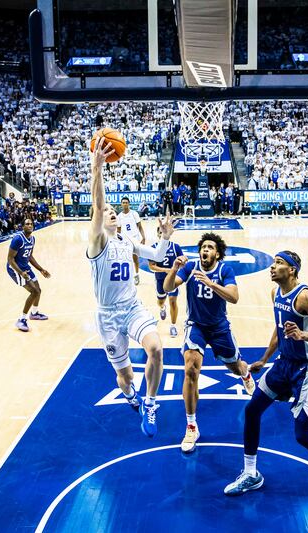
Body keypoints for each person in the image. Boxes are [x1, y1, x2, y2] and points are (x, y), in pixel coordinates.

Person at [223, 251, 308, 505]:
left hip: (306, 368)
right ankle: (251, 474)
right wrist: (265, 359)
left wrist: (304, 336)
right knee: (252, 410)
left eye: (279, 264)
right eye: (273, 263)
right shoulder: (275, 294)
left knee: (302, 436)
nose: (272, 267)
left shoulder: (305, 296)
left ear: (293, 270)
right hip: (283, 364)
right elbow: (279, 329)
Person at [88, 139, 174, 437]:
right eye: (108, 212)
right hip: (108, 316)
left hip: (132, 308)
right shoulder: (98, 243)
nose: (111, 213)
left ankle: (150, 403)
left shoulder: (126, 241)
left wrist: (164, 236)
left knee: (157, 350)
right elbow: (98, 206)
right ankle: (130, 394)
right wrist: (96, 167)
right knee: (124, 376)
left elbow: (158, 256)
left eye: (114, 212)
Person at [163, 232, 255, 453]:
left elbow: (234, 297)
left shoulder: (225, 270)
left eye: (210, 247)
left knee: (235, 366)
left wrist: (211, 284)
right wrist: (174, 268)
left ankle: (245, 374)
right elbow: (167, 287)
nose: (205, 250)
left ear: (217, 253)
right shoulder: (190, 267)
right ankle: (192, 425)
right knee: (191, 370)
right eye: (203, 246)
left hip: (219, 328)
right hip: (196, 326)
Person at [7, 218, 51, 332]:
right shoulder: (18, 239)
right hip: (14, 268)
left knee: (38, 290)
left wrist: (41, 269)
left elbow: (30, 256)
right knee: (34, 291)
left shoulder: (32, 239)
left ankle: (34, 313)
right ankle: (21, 320)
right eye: (27, 224)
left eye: (31, 224)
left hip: (25, 267)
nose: (30, 225)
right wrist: (21, 273)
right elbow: (10, 259)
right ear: (23, 227)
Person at [148, 227, 183, 338]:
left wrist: (181, 264)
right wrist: (165, 270)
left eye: (164, 232)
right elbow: (151, 266)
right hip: (160, 279)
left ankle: (173, 326)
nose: (162, 234)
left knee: (173, 301)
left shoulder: (175, 247)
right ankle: (162, 308)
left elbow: (183, 261)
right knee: (161, 301)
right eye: (160, 232)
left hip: (172, 279)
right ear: (158, 234)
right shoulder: (153, 248)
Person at [116, 197, 146, 285]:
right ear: (121, 204)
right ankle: (127, 276)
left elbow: (140, 226)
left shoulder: (134, 214)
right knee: (125, 258)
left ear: (129, 204)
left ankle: (136, 275)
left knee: (135, 258)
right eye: (123, 202)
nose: (125, 204)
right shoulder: (119, 216)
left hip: (135, 239)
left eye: (126, 202)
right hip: (125, 240)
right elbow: (118, 231)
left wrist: (143, 237)